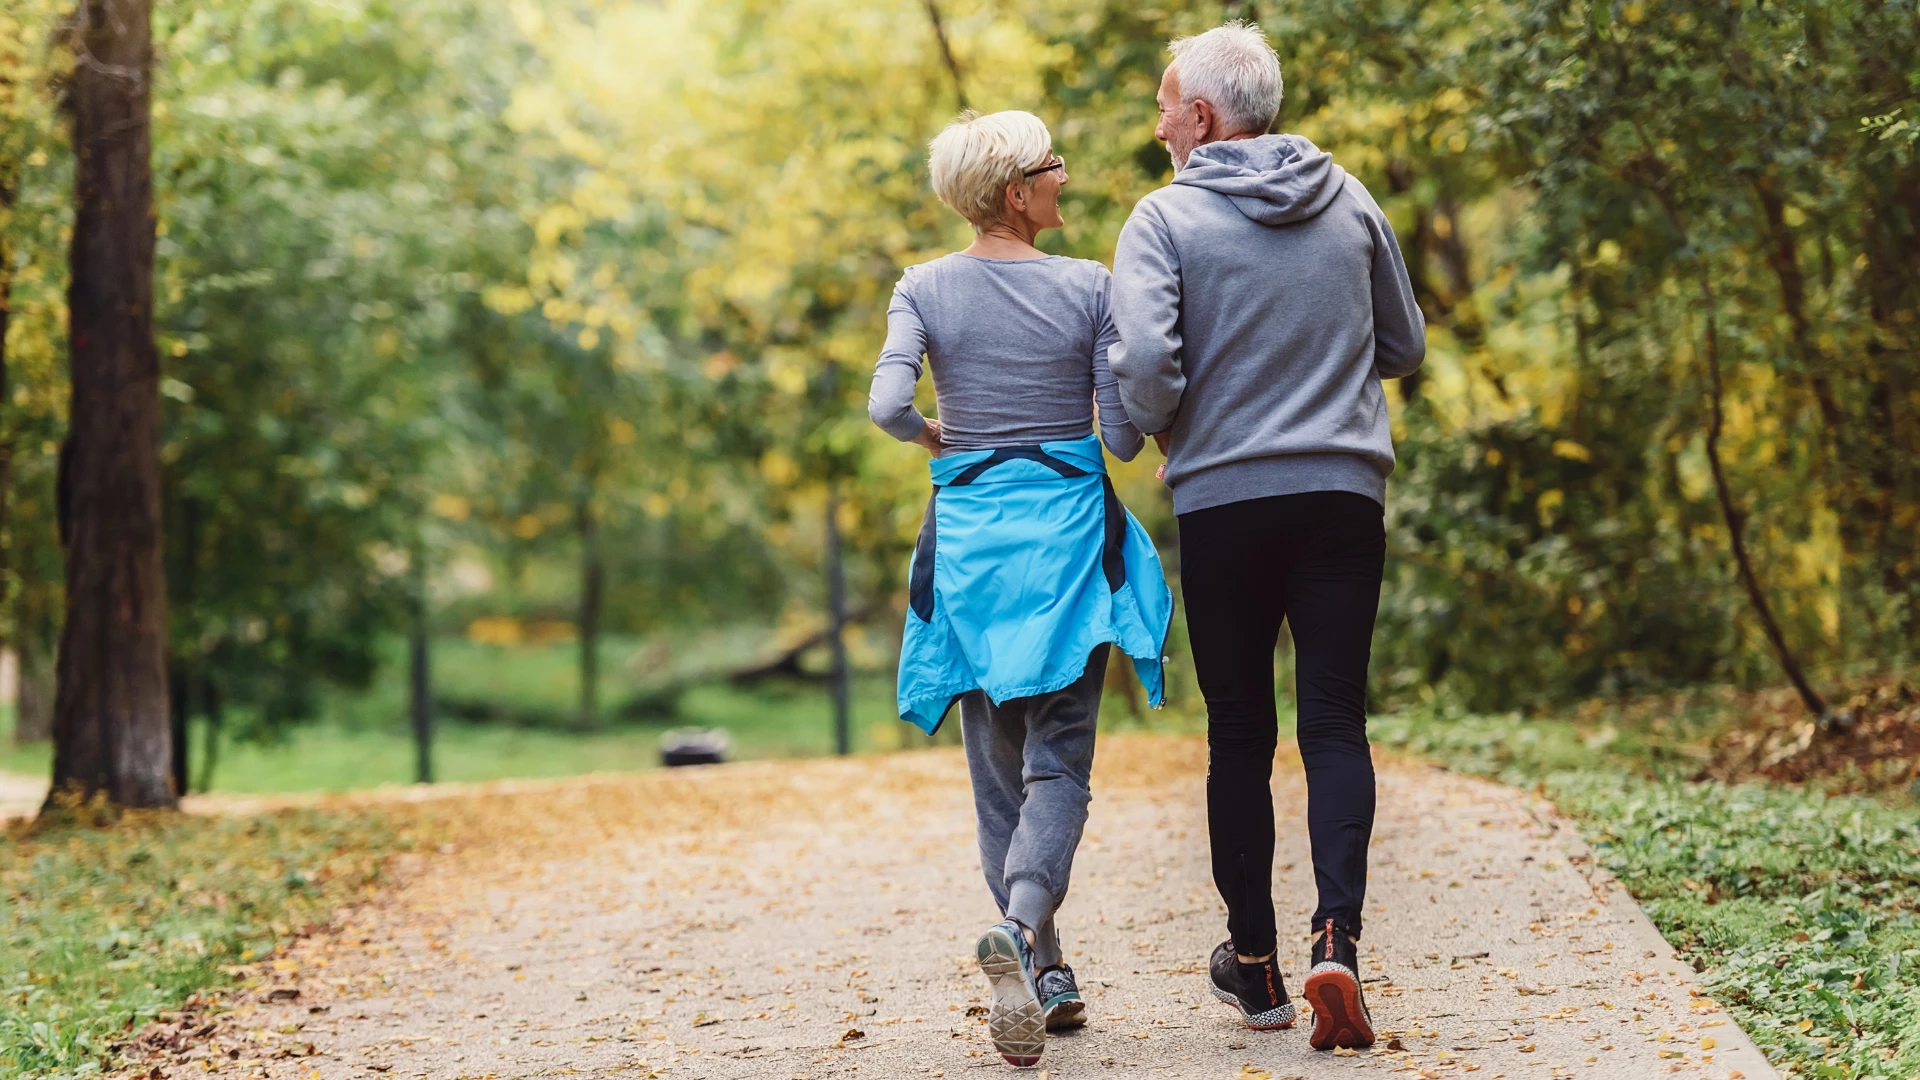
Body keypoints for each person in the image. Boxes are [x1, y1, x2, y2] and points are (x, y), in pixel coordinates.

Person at [1107, 22, 1426, 1052]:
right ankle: (1339, 938)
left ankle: (1255, 966)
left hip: (1226, 503)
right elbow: (1403, 342)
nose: (1158, 126)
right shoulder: (1351, 197)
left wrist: (1177, 425)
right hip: (1342, 492)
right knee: (1334, 723)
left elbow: (1147, 364)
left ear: (1201, 115)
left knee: (1240, 734)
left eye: (1164, 107)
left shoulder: (1163, 219)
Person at [869, 109, 1173, 1069]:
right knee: (1062, 762)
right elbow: (1122, 438)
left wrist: (936, 438)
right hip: (1068, 547)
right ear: (1016, 193)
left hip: (967, 551)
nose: (1065, 176)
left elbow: (886, 406)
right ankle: (1025, 922)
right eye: (1051, 166)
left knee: (996, 768)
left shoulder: (922, 288)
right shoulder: (1089, 288)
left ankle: (1041, 966)